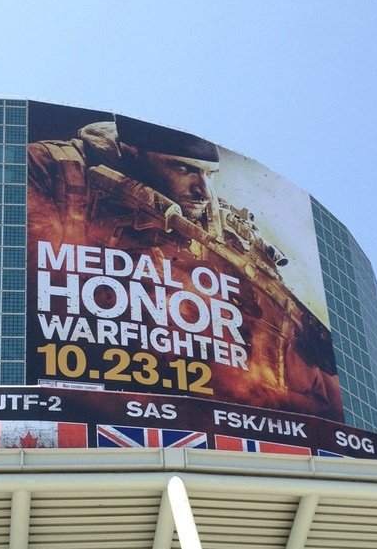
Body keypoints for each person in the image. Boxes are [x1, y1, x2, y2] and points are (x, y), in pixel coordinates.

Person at [27, 113, 343, 419]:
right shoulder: (49, 169)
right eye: (183, 168)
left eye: (209, 174)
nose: (203, 192)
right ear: (132, 151)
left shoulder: (217, 223)